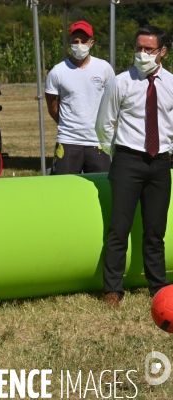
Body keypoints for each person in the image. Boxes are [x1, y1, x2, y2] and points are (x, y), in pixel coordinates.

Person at [95, 25, 173, 307]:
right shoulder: (121, 82)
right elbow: (103, 123)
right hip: (128, 161)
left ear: (162, 51)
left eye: (148, 49)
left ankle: (158, 287)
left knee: (155, 230)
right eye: (138, 47)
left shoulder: (171, 84)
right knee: (119, 227)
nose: (141, 53)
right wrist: (113, 152)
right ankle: (113, 289)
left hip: (161, 164)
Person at [45, 20, 115, 175]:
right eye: (75, 41)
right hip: (68, 140)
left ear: (91, 43)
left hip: (98, 141)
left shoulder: (104, 68)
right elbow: (52, 107)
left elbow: (112, 101)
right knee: (62, 188)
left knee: (103, 187)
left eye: (83, 41)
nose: (79, 45)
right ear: (69, 42)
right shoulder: (57, 72)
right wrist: (68, 124)